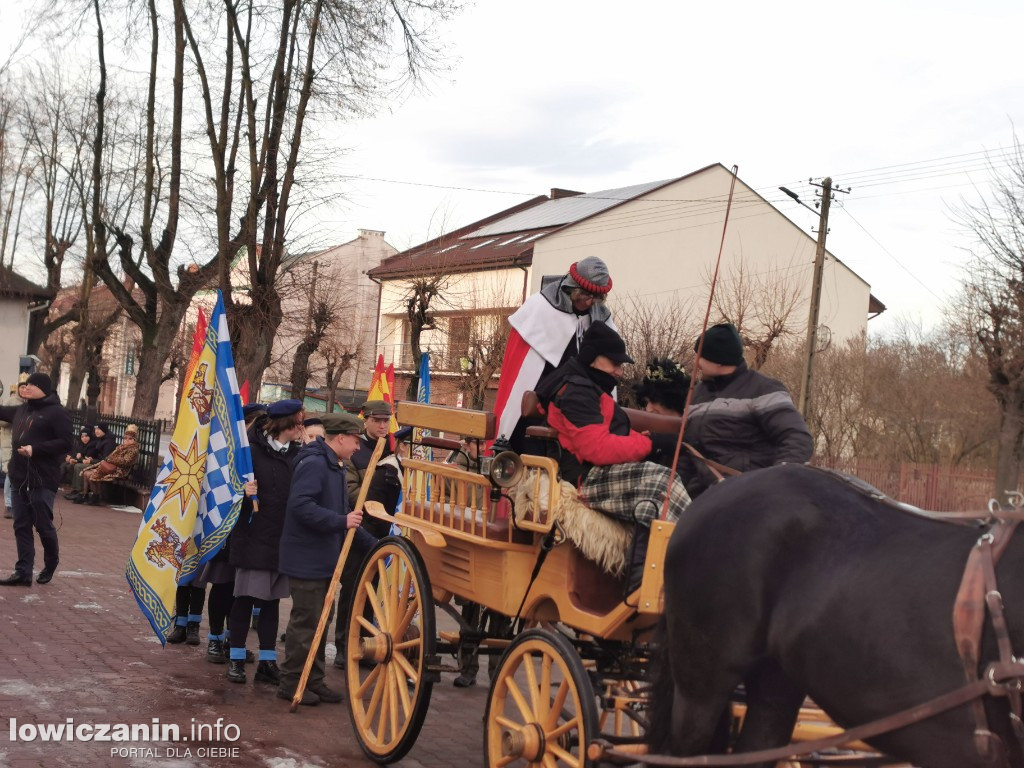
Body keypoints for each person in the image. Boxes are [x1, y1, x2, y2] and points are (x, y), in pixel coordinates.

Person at [536, 323, 690, 588]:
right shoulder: (576, 392)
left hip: (600, 470)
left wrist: (652, 442)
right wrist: (650, 444)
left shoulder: (590, 387)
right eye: (615, 363)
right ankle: (642, 577)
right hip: (586, 478)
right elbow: (597, 448)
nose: (619, 371)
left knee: (684, 472)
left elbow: (614, 437)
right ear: (593, 358)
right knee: (660, 484)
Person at [277, 411, 375, 706]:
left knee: (321, 621)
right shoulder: (315, 463)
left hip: (325, 559)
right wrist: (339, 522)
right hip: (307, 558)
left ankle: (314, 679)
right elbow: (301, 507)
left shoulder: (336, 466)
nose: (358, 447)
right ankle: (292, 681)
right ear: (341, 438)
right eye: (355, 441)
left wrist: (377, 545)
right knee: (306, 622)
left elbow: (348, 518)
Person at [492, 257, 615, 451]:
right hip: (536, 407)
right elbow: (522, 372)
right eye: (585, 295)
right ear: (572, 287)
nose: (590, 302)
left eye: (596, 298)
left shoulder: (600, 318)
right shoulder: (540, 309)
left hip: (576, 411)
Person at [683, 323, 813, 499]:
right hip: (698, 497)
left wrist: (776, 481)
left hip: (747, 496)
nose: (696, 362)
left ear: (719, 362)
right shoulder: (697, 393)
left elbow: (797, 438)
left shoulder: (764, 390)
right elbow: (688, 448)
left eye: (701, 357)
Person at [225, 398, 304, 686]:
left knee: (271, 603)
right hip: (253, 537)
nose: (301, 429)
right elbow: (225, 487)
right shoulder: (250, 452)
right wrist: (241, 490)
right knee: (244, 600)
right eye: (298, 423)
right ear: (285, 424)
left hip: (281, 540)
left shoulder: (297, 455)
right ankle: (235, 658)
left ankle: (268, 661)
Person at [0, 373, 72, 586]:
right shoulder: (23, 409)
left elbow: (66, 442)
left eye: (31, 384)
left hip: (42, 479)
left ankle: (51, 562)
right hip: (19, 477)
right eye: (25, 384)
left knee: (42, 524)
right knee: (21, 525)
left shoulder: (57, 413)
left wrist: (36, 449)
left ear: (43, 388)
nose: (26, 387)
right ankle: (23, 572)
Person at [76, 424, 141, 505]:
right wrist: (109, 459)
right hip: (111, 467)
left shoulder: (133, 450)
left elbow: (125, 461)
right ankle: (86, 494)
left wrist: (111, 459)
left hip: (119, 470)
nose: (127, 440)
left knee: (90, 474)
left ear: (134, 440)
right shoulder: (121, 447)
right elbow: (109, 457)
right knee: (86, 473)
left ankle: (96, 496)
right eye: (125, 438)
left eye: (130, 439)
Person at [344, 400, 393, 505]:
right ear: (365, 421)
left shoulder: (395, 448)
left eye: (386, 421)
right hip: (365, 514)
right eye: (376, 421)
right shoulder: (354, 449)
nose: (382, 426)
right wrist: (377, 504)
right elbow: (350, 490)